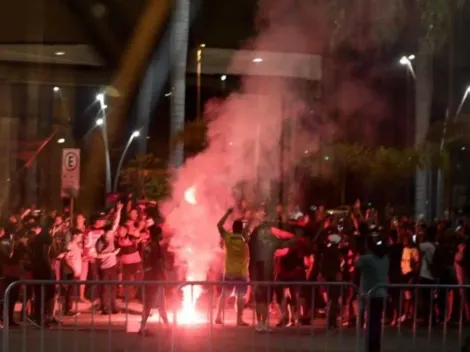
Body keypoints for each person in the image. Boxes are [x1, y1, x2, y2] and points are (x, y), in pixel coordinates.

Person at [215, 208, 251, 326]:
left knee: (224, 293)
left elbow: (219, 225)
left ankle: (218, 316)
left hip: (229, 271)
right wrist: (250, 218)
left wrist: (227, 213)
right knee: (240, 296)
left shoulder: (228, 237)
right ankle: (239, 320)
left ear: (233, 228)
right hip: (241, 272)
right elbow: (246, 230)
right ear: (241, 229)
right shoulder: (244, 238)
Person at [355, 234, 389, 352]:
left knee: (371, 323)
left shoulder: (367, 259)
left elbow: (356, 264)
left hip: (372, 294)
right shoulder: (385, 259)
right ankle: (376, 347)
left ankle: (371, 347)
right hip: (381, 293)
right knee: (377, 322)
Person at [139, 224, 169, 336]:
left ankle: (167, 325)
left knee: (159, 303)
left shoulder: (147, 246)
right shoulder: (156, 247)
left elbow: (145, 262)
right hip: (156, 278)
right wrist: (164, 276)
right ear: (158, 234)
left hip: (148, 277)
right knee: (152, 304)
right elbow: (159, 263)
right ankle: (142, 328)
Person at [28, 222, 56, 327]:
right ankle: (43, 318)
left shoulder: (36, 238)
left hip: (35, 267)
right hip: (43, 268)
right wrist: (50, 269)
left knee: (39, 293)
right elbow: (45, 254)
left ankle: (38, 318)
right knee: (49, 292)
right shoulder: (47, 237)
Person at [63, 229, 83, 316]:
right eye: (79, 236)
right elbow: (66, 258)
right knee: (70, 291)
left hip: (75, 271)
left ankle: (69, 308)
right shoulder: (70, 244)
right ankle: (67, 309)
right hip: (71, 271)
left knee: (72, 290)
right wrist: (74, 269)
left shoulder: (76, 245)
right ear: (75, 235)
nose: (81, 238)